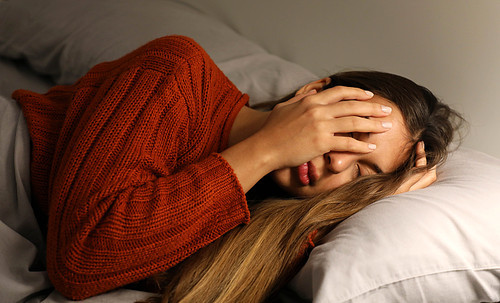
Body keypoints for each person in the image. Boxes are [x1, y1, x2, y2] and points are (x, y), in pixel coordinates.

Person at [12, 35, 463, 302]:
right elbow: (82, 258)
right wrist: (266, 148)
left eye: (362, 174)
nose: (337, 162)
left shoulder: (270, 212)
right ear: (311, 93)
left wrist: (362, 204)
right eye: (346, 132)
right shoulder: (176, 69)